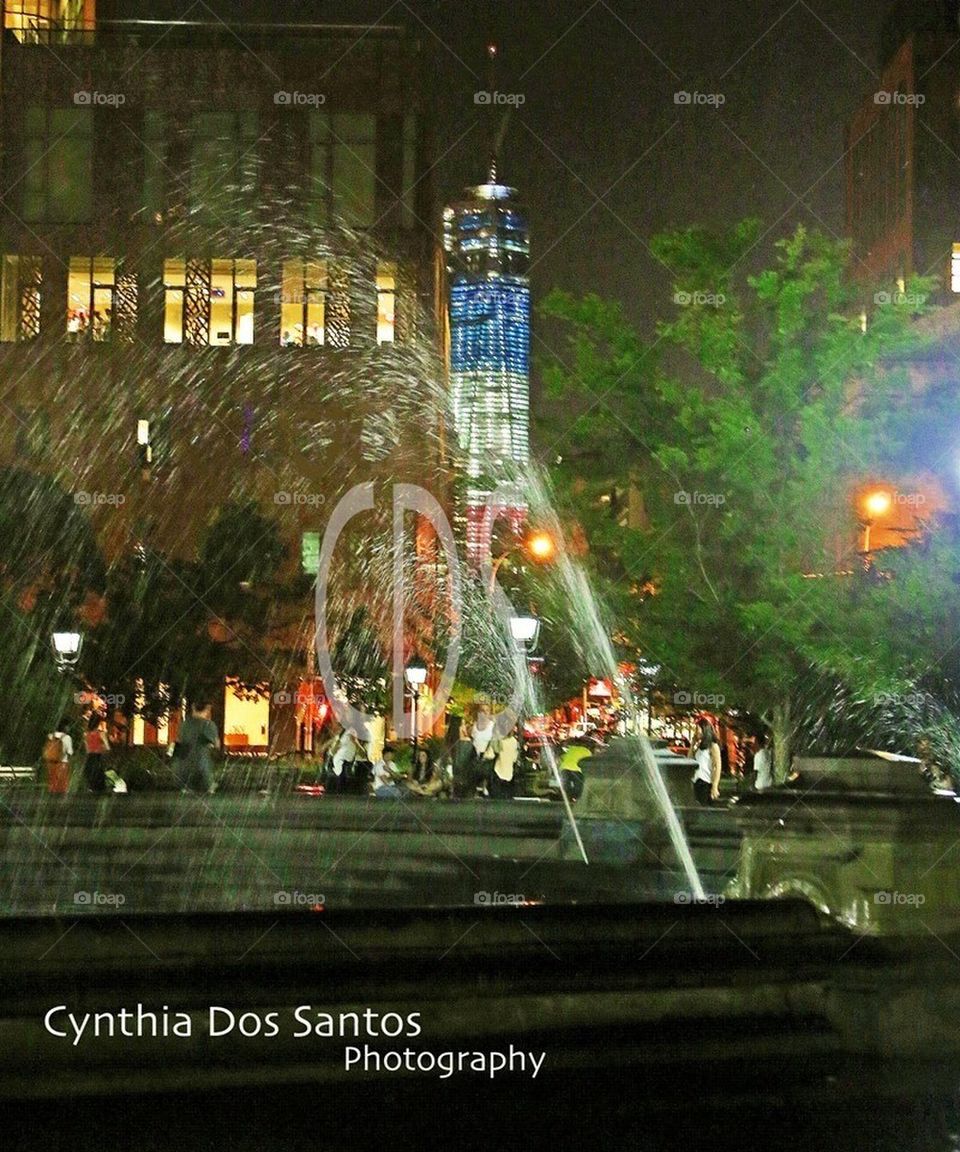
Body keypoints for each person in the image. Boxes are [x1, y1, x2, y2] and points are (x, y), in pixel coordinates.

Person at [177, 701, 220, 794]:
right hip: (204, 766)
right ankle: (210, 786)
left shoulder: (185, 724)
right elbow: (217, 744)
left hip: (186, 765)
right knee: (205, 763)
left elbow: (179, 740)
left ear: (193, 707)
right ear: (207, 709)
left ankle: (187, 786)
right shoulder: (209, 725)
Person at [691, 718, 722, 805]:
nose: (696, 732)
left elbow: (717, 766)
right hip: (696, 780)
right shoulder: (699, 747)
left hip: (706, 782)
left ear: (704, 730)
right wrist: (692, 744)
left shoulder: (713, 746)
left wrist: (715, 786)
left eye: (697, 729)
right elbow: (689, 759)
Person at [43, 717, 73, 795]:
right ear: (65, 727)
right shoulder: (67, 737)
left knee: (52, 783)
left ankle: (51, 796)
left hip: (50, 763)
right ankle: (60, 799)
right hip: (62, 763)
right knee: (62, 787)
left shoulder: (50, 736)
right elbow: (70, 752)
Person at [488, 725, 519, 799]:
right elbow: (514, 758)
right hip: (509, 773)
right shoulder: (514, 741)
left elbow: (490, 755)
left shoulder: (498, 741)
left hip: (498, 771)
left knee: (496, 797)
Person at [329, 727, 363, 793]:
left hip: (346, 766)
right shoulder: (340, 736)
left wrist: (355, 742)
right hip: (337, 767)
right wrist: (337, 744)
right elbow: (332, 752)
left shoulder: (353, 736)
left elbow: (362, 754)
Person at [83, 714, 109, 794]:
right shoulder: (100, 734)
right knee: (99, 775)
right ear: (98, 723)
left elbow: (86, 748)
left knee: (91, 776)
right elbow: (107, 747)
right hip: (98, 757)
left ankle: (91, 789)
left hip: (89, 757)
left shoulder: (86, 734)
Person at [451, 726, 480, 799]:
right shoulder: (472, 745)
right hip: (468, 778)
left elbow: (456, 763)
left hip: (459, 778)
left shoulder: (458, 746)